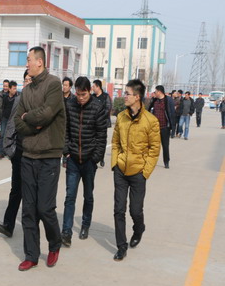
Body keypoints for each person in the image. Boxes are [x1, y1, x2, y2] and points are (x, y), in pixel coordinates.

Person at [14, 47, 65, 271]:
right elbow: (18, 121)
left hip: (49, 156)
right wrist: (31, 124)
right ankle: (31, 255)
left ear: (40, 62)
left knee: (45, 208)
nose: (27, 64)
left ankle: (54, 243)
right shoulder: (26, 91)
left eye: (29, 60)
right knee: (28, 209)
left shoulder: (53, 84)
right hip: (28, 155)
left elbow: (46, 114)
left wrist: (31, 117)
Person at [111, 79, 160, 261]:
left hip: (138, 172)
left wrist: (145, 172)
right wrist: (115, 163)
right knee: (118, 209)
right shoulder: (121, 117)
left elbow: (154, 150)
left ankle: (139, 229)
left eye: (127, 93)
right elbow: (115, 142)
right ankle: (121, 246)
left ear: (137, 97)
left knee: (135, 211)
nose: (124, 96)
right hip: (121, 170)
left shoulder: (151, 121)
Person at [60, 76, 107, 247]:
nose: (80, 98)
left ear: (89, 91)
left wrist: (95, 158)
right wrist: (66, 151)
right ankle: (66, 232)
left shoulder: (97, 107)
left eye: (84, 95)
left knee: (88, 196)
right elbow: (65, 130)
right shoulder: (70, 105)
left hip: (89, 161)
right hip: (73, 159)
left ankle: (85, 225)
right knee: (70, 196)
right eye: (78, 94)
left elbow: (102, 136)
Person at [0, 71, 31, 240]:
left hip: (35, 154)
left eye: (30, 80)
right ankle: (8, 224)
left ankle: (30, 229)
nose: (28, 82)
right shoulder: (19, 100)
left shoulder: (42, 101)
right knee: (16, 190)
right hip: (19, 152)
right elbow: (11, 125)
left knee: (31, 193)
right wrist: (9, 149)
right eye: (26, 80)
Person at [148, 85, 176, 169]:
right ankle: (151, 161)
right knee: (153, 146)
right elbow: (149, 111)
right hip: (155, 128)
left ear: (159, 92)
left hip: (165, 127)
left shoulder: (168, 100)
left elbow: (172, 114)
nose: (154, 93)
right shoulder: (154, 100)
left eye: (155, 91)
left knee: (165, 145)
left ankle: (166, 161)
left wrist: (172, 128)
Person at [0, 81, 19, 160]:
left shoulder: (17, 98)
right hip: (5, 119)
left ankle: (9, 151)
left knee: (11, 135)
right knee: (2, 135)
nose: (15, 90)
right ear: (10, 89)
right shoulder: (4, 97)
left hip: (12, 120)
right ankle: (0, 152)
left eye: (16, 88)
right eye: (14, 88)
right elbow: (1, 107)